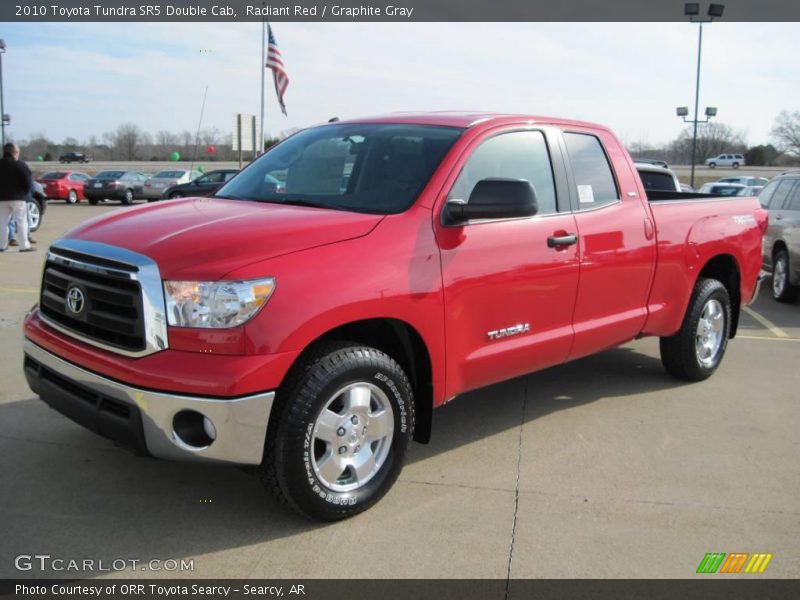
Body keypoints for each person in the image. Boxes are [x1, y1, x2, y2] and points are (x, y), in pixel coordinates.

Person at [0, 143, 36, 252]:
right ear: (14, 153)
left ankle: (2, 245)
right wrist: (25, 193)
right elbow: (28, 183)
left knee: (2, 223)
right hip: (18, 198)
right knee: (21, 222)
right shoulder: (20, 165)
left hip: (1, 199)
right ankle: (24, 245)